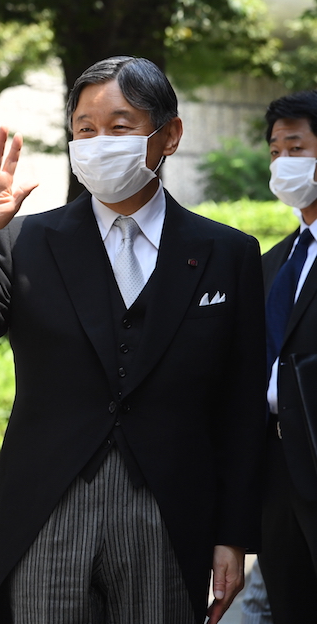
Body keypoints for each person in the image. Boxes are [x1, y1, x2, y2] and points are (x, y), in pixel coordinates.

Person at [0, 56, 267, 624]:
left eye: (120, 126)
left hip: (171, 513)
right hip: (48, 508)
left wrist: (234, 535)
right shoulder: (25, 240)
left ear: (169, 135)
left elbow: (242, 408)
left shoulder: (228, 254)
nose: (99, 141)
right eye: (85, 129)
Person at [257, 89, 317, 624]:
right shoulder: (274, 261)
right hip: (276, 473)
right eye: (275, 151)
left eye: (295, 148)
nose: (282, 163)